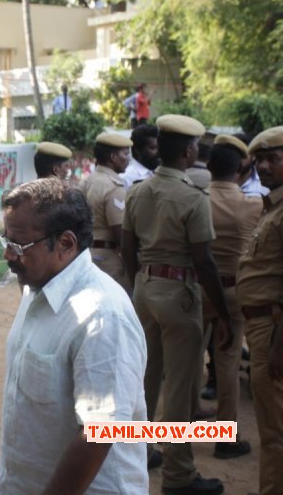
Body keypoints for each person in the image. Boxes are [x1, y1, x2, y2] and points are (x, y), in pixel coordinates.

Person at [0, 178, 148, 494]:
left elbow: (98, 433)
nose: (9, 255)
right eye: (5, 241)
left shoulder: (103, 317)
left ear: (65, 244)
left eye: (19, 246)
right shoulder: (38, 288)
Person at [122, 114, 233, 495]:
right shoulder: (192, 197)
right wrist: (222, 312)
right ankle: (179, 475)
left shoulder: (137, 191)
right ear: (188, 152)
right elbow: (204, 261)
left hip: (144, 289)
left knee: (146, 380)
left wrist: (143, 280)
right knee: (181, 387)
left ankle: (139, 452)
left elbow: (127, 248)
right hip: (179, 293)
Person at [201, 135, 261, 460]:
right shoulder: (253, 205)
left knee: (185, 364)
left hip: (197, 288)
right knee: (228, 362)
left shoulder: (195, 200)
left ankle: (175, 437)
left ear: (207, 166)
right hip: (234, 292)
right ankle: (226, 437)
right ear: (241, 167)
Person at [236, 125, 283, 495]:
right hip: (262, 326)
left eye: (273, 159)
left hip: (274, 329)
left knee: (274, 434)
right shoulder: (273, 207)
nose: (264, 166)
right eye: (260, 160)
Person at [79, 132, 132, 292]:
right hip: (109, 261)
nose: (128, 158)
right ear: (113, 157)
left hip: (86, 256)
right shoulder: (113, 186)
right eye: (125, 153)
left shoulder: (85, 181)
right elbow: (121, 234)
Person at [121, 124, 160, 189]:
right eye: (153, 148)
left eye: (160, 147)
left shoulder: (159, 172)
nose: (159, 152)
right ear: (137, 150)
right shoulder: (127, 178)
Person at [236, 132, 271, 198]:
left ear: (253, 156)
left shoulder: (265, 183)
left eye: (242, 155)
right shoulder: (217, 180)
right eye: (233, 155)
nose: (236, 159)